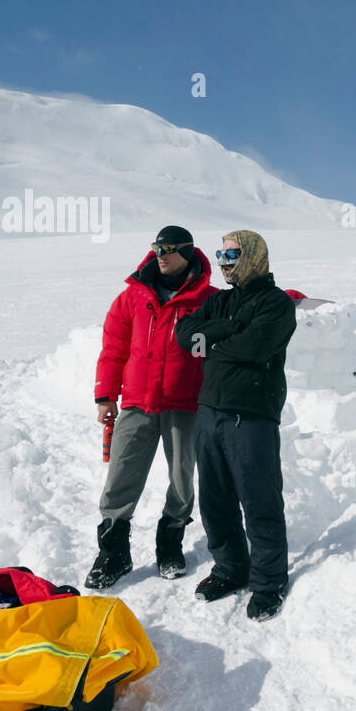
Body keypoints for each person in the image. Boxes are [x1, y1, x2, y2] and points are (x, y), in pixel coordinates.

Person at [175, 230, 296, 622]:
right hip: (210, 412)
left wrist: (212, 339)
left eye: (233, 253)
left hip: (252, 416)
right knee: (215, 501)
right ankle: (230, 567)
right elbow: (184, 338)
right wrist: (229, 332)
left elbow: (255, 347)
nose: (225, 261)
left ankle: (268, 581)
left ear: (254, 255)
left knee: (259, 500)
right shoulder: (220, 300)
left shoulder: (276, 304)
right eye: (220, 253)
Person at [87, 225, 216, 589]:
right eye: (157, 248)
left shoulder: (207, 298)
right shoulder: (132, 297)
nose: (161, 254)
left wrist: (287, 297)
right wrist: (104, 396)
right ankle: (113, 553)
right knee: (120, 478)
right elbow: (114, 350)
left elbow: (242, 312)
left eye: (169, 248)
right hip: (137, 403)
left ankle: (169, 545)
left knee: (181, 479)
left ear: (187, 252)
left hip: (184, 405)